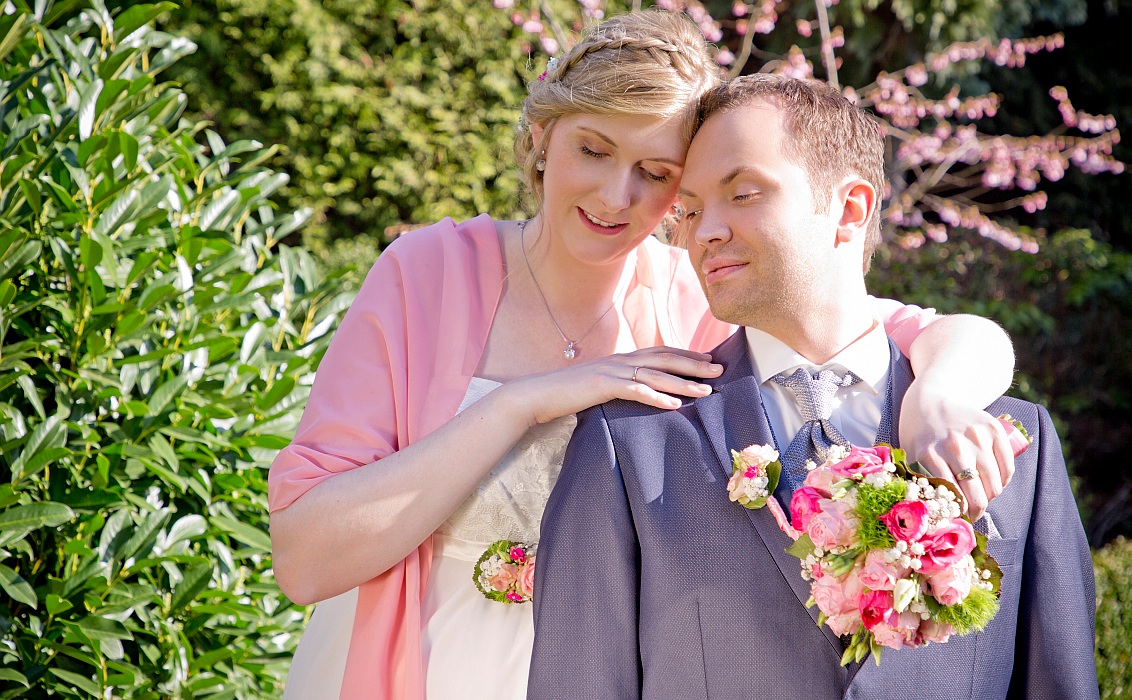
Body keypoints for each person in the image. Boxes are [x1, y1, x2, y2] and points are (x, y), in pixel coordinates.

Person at [268, 13, 1019, 700]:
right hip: (418, 670)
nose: (616, 195)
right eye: (593, 149)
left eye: (656, 174)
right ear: (541, 137)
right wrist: (522, 402)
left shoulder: (697, 301)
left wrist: (939, 399)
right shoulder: (428, 272)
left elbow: (947, 333)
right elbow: (304, 561)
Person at [527, 74, 1098, 699]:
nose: (704, 231)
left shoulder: (1016, 442)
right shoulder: (629, 445)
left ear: (850, 209)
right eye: (688, 211)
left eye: (743, 193)